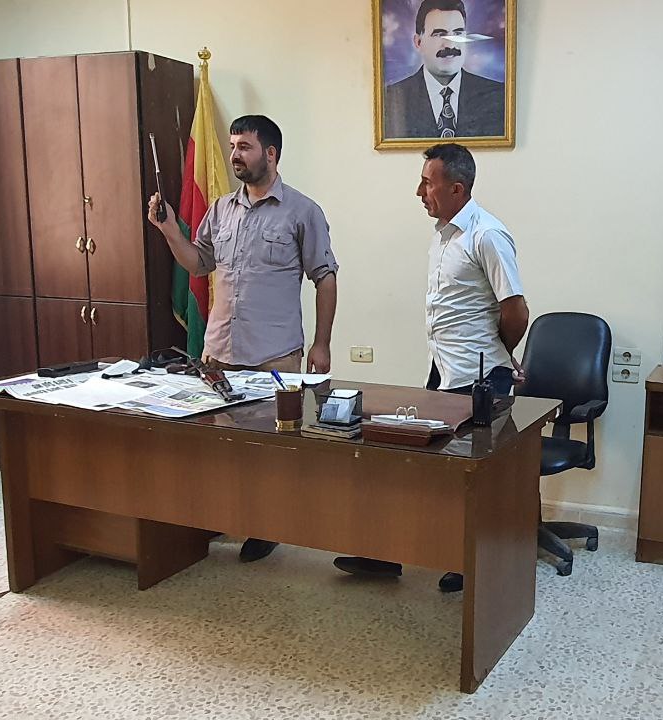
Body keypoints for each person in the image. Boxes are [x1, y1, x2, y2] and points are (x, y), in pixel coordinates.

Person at [333, 142, 528, 593]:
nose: (419, 191)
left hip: (480, 379)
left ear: (457, 188)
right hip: (444, 371)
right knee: (417, 463)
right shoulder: (442, 235)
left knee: (471, 476)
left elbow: (516, 310)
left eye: (427, 183)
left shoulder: (486, 235)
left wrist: (498, 352)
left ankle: (467, 561)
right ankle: (388, 553)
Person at [147, 114, 339, 564]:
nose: (235, 154)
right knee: (221, 445)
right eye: (233, 145)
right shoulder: (220, 209)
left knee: (269, 448)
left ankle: (267, 525)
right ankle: (225, 514)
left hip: (274, 354)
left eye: (245, 146)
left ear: (271, 154)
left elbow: (325, 278)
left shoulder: (302, 211)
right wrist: (169, 229)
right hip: (220, 351)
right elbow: (198, 264)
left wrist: (322, 343)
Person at [383, 0, 505, 139]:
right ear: (418, 42)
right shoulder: (392, 98)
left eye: (457, 33)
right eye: (439, 34)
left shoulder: (497, 95)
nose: (450, 45)